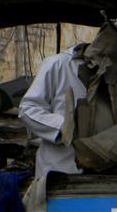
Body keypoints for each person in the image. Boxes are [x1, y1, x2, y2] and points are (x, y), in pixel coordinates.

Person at [17, 43, 89, 178]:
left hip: (101, 174)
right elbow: (28, 108)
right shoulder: (58, 64)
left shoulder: (115, 71)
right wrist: (62, 127)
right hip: (59, 169)